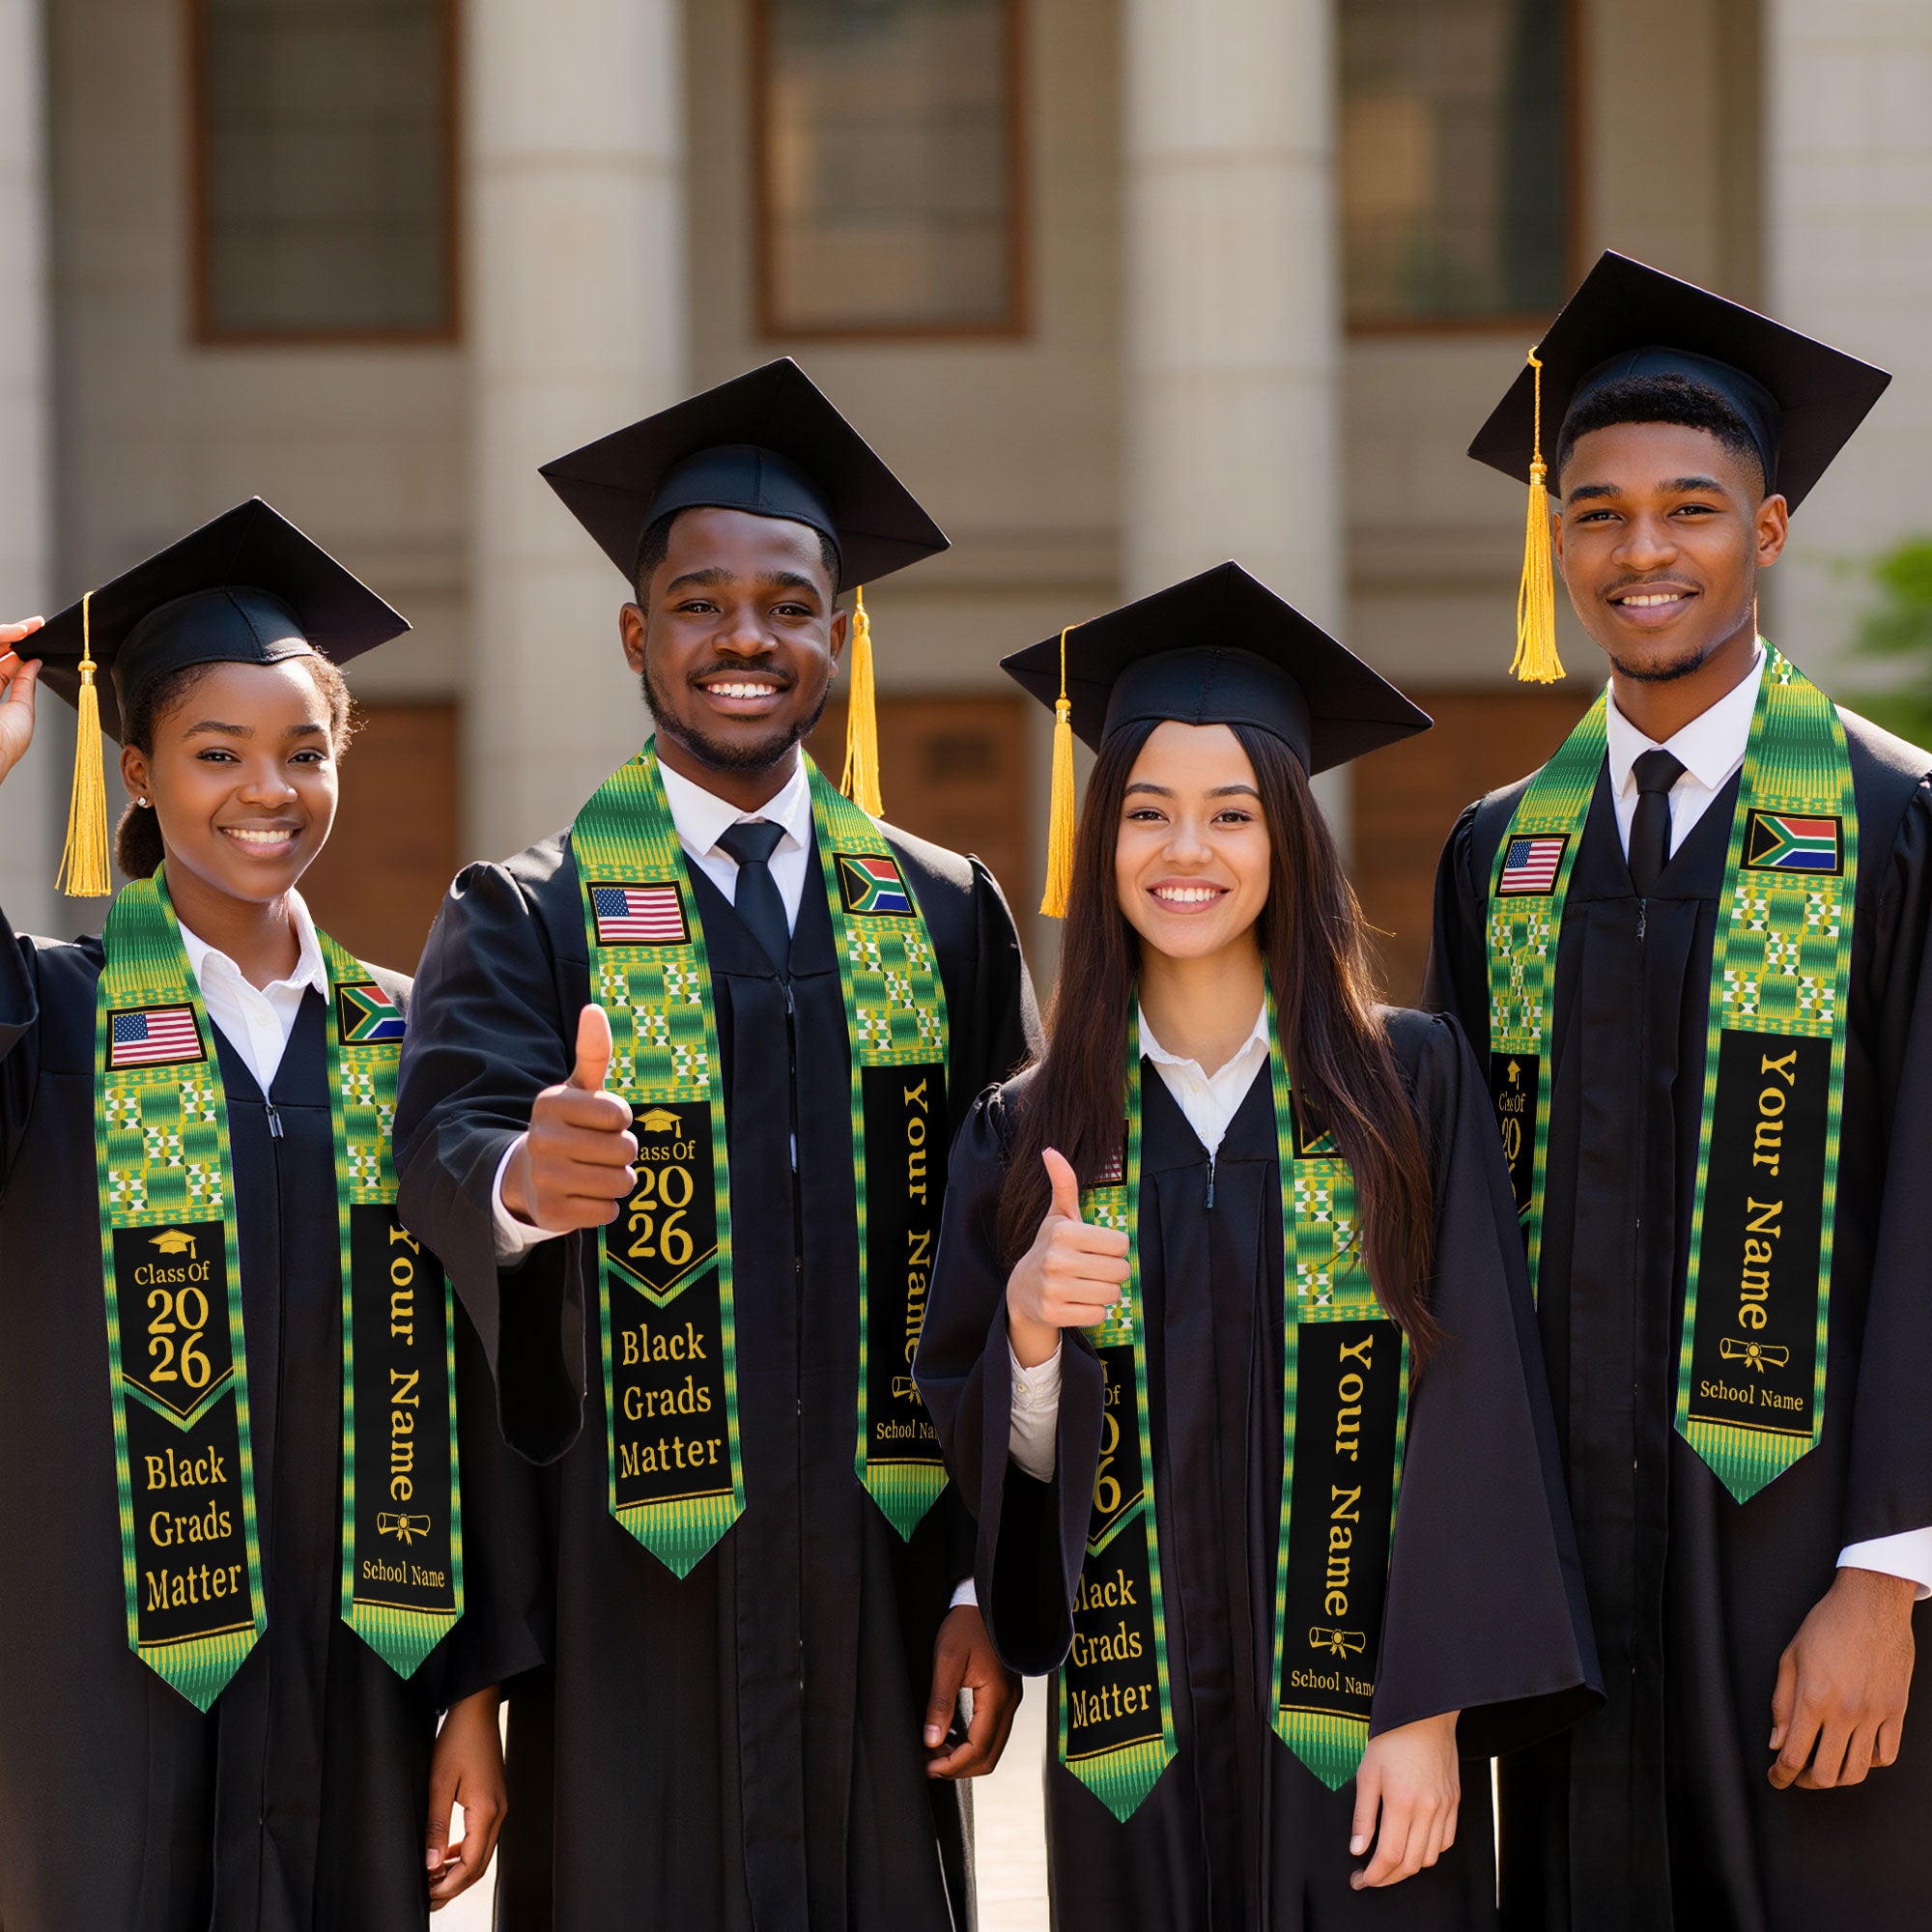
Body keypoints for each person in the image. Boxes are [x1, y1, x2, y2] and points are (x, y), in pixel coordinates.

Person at [392, 359, 1039, 1928]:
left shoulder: (943, 914)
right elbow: (441, 1149)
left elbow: (1015, 1250)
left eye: (788, 605)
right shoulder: (530, 913)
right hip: (631, 1608)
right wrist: (522, 1182)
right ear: (638, 636)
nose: (745, 638)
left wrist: (982, 1582)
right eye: (699, 605)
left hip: (882, 1588)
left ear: (841, 635)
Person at [916, 562, 1599, 1930]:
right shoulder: (1030, 1130)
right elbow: (998, 1480)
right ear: (1100, 841)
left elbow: (1480, 1401)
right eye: (1147, 812)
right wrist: (1032, 1340)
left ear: (1288, 837)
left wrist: (1430, 1710)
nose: (1188, 852)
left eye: (1231, 813)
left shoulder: (1410, 1089)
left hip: (1368, 1745)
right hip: (1131, 1753)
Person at [1427, 251, 1932, 1932]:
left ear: (1767, 531)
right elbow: (1452, 1231)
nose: (1642, 550)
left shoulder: (1895, 825)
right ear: (1556, 543)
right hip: (1564, 1576)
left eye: (1691, 509)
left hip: (1806, 1560)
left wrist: (1889, 1574)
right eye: (1599, 513)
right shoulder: (1503, 852)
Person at [0, 498, 546, 1930]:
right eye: (216, 753)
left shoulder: (412, 1041)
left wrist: (474, 1697)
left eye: (305, 752)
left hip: (357, 1671)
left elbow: (479, 1382)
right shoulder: (49, 1020)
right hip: (95, 1688)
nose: (268, 789)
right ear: (135, 771)